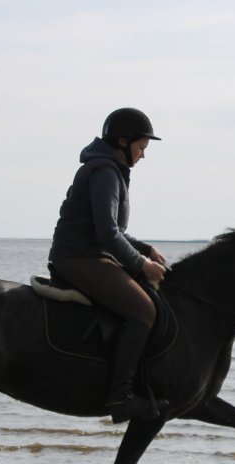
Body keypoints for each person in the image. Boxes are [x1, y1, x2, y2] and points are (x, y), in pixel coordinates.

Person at [48, 107, 169, 423]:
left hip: (88, 254)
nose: (143, 155)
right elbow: (108, 234)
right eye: (141, 147)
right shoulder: (105, 172)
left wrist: (145, 249)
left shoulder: (110, 169)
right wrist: (141, 264)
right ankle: (120, 397)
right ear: (123, 141)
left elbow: (116, 232)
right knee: (144, 310)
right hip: (78, 257)